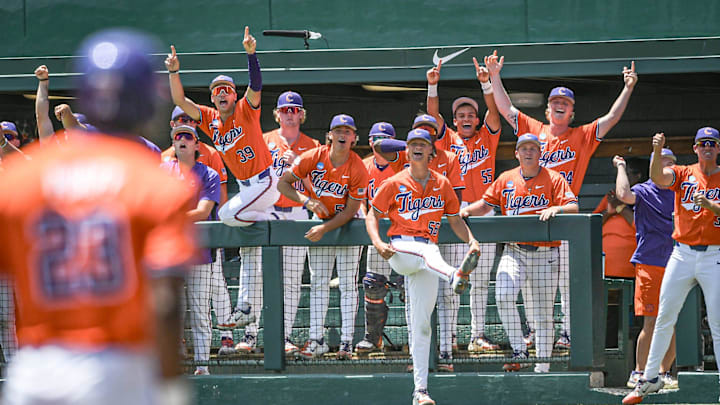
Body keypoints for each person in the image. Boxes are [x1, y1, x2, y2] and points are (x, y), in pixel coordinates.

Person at [0, 29, 193, 405]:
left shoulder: (22, 178)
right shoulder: (155, 181)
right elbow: (166, 303)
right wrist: (170, 387)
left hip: (34, 371)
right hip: (117, 368)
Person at [485, 50, 639, 348]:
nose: (559, 106)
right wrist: (494, 76)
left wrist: (628, 87)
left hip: (564, 213)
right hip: (530, 216)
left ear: (571, 112)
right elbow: (506, 109)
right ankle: (532, 335)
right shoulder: (534, 131)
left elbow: (612, 117)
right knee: (529, 287)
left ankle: (568, 333)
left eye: (565, 104)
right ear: (547, 110)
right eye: (555, 102)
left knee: (568, 281)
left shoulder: (581, 135)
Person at [166, 27, 277, 353]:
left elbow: (256, 86)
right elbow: (178, 100)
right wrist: (174, 72)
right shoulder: (210, 119)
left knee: (228, 215)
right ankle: (245, 308)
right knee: (247, 249)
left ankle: (270, 220)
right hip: (248, 188)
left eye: (227, 89)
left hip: (264, 181)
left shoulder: (246, 108)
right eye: (217, 91)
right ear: (213, 98)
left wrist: (251, 55)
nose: (222, 94)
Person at [367, 128, 481, 405]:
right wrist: (378, 242)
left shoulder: (442, 183)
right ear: (407, 150)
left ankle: (420, 391)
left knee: (421, 327)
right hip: (400, 249)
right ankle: (455, 274)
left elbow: (454, 220)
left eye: (423, 144)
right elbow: (372, 215)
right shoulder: (394, 182)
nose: (418, 147)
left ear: (432, 151)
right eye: (413, 144)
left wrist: (472, 240)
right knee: (430, 252)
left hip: (427, 260)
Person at [461, 133, 579, 373]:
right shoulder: (506, 179)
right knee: (503, 295)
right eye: (524, 148)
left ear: (539, 153)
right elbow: (486, 204)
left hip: (545, 254)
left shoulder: (554, 179)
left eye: (533, 149)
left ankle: (542, 367)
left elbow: (574, 206)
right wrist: (465, 212)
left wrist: (557, 207)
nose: (528, 152)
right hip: (514, 251)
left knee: (544, 315)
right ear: (516, 153)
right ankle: (519, 349)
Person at [623, 128, 720, 404]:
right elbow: (658, 177)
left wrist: (712, 206)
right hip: (682, 252)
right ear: (695, 148)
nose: (707, 148)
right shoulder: (684, 172)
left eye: (712, 143)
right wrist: (656, 151)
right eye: (703, 144)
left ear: (718, 148)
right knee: (664, 315)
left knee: (717, 320)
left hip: (714, 253)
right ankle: (650, 377)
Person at [372, 115, 466, 370]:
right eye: (418, 130)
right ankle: (418, 356)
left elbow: (455, 203)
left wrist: (425, 145)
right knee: (413, 299)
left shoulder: (449, 158)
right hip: (409, 239)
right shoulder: (406, 155)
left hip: (439, 229)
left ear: (436, 138)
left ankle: (445, 351)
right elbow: (379, 147)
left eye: (429, 131)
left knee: (446, 297)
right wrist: (414, 143)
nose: (423, 135)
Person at [425, 56, 503, 354]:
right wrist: (433, 86)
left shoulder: (487, 136)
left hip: (484, 211)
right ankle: (448, 340)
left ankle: (477, 334)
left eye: (471, 113)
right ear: (455, 120)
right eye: (461, 114)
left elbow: (494, 112)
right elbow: (433, 116)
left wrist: (485, 82)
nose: (467, 117)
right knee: (452, 281)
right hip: (455, 215)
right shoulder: (447, 140)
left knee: (481, 280)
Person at [278, 113, 368, 360]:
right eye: (338, 130)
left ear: (354, 138)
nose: (342, 134)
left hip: (350, 224)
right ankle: (316, 339)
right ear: (329, 135)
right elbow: (283, 184)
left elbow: (351, 210)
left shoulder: (358, 166)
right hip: (321, 219)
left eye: (347, 131)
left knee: (348, 284)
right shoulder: (313, 157)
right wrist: (306, 200)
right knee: (318, 283)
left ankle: (347, 343)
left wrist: (324, 229)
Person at [160, 124, 237, 373]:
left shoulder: (209, 174)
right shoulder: (163, 171)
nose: (182, 139)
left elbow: (204, 211)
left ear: (196, 145)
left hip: (200, 253)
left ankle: (202, 365)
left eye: (188, 137)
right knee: (169, 309)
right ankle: (168, 365)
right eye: (177, 137)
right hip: (168, 252)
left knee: (200, 310)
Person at [613, 151, 677, 390]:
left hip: (677, 264)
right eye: (665, 163)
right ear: (654, 167)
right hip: (649, 263)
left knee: (669, 322)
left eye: (672, 163)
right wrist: (621, 167)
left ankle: (664, 372)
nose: (670, 167)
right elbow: (622, 195)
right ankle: (639, 372)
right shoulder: (644, 190)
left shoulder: (680, 190)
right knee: (650, 322)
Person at [263, 91, 320, 355]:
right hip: (268, 211)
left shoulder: (314, 145)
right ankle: (251, 336)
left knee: (292, 279)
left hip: (297, 211)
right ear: (277, 114)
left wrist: (297, 166)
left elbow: (317, 189)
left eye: (294, 109)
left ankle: (284, 336)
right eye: (284, 109)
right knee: (259, 278)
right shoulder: (264, 141)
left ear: (301, 114)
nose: (289, 113)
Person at [355, 122, 398, 356]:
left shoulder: (403, 164)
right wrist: (365, 216)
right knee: (373, 284)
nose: (378, 143)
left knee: (409, 287)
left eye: (383, 138)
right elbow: (359, 197)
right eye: (374, 138)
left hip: (403, 231)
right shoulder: (362, 166)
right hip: (378, 232)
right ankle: (373, 337)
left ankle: (418, 339)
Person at [162, 106, 229, 204]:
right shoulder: (163, 158)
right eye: (183, 120)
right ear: (173, 124)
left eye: (193, 120)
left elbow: (222, 194)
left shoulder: (211, 153)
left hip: (203, 216)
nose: (189, 123)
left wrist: (220, 219)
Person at [593, 159, 645, 279]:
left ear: (638, 176)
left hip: (628, 263)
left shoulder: (643, 196)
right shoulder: (611, 196)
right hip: (603, 262)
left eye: (626, 174)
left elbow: (640, 226)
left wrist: (620, 207)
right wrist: (610, 212)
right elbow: (594, 224)